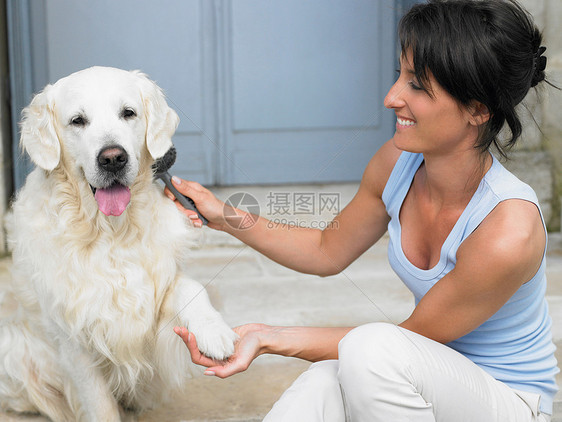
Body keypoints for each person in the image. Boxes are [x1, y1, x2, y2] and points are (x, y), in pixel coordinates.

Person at [168, 0, 559, 420]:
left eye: (418, 86)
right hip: (426, 378)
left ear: (477, 110)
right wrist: (222, 214)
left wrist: (270, 338)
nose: (392, 98)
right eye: (400, 76)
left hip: (506, 402)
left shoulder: (508, 228)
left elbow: (408, 340)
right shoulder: (399, 162)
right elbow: (325, 248)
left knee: (368, 351)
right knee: (322, 383)